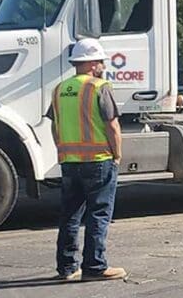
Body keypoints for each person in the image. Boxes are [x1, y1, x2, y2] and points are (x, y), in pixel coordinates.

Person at [48, 40, 127, 281]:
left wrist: (62, 150)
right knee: (99, 214)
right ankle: (95, 266)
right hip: (98, 159)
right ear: (92, 64)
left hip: (70, 161)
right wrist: (117, 154)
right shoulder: (99, 87)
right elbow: (112, 125)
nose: (103, 65)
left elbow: (54, 125)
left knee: (70, 215)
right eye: (101, 61)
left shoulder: (60, 89)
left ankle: (67, 268)